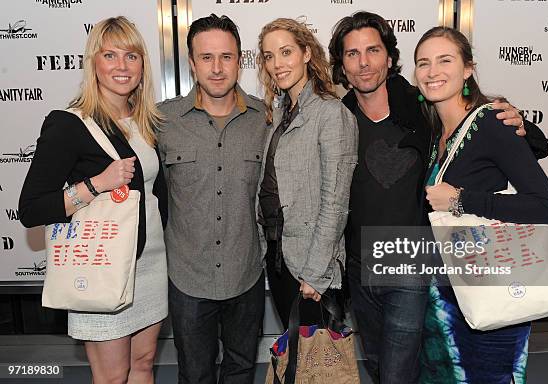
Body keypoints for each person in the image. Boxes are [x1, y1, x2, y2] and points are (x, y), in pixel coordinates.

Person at [327, 11, 548, 384]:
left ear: (389, 56)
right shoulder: (338, 117)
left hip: (415, 263)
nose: (364, 63)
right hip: (361, 264)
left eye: (373, 50)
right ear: (342, 64)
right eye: (352, 54)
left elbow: (514, 145)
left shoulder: (420, 103)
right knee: (385, 367)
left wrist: (521, 123)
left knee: (403, 372)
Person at [19, 16, 167, 383]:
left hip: (150, 265)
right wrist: (94, 184)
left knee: (144, 364)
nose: (122, 66)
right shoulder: (69, 124)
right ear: (94, 63)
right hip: (101, 266)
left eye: (132, 56)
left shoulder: (147, 122)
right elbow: (31, 209)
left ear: (143, 65)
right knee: (112, 376)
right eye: (111, 55)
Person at [415, 26, 548, 384]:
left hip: (491, 294)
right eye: (423, 63)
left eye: (444, 60)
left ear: (467, 69)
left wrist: (461, 199)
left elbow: (544, 206)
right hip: (444, 296)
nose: (432, 71)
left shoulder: (490, 122)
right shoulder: (437, 132)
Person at [156, 14, 268, 384]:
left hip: (246, 274)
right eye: (206, 58)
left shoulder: (265, 118)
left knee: (240, 371)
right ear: (191, 62)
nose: (217, 68)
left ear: (241, 59)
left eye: (226, 57)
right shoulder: (162, 121)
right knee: (195, 375)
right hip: (188, 279)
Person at [256, 18, 358, 328]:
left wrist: (315, 273)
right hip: (280, 256)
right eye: (269, 56)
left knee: (317, 367)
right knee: (295, 360)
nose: (277, 64)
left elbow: (335, 203)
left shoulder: (331, 113)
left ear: (306, 54)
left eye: (285, 52)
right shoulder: (279, 114)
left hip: (311, 266)